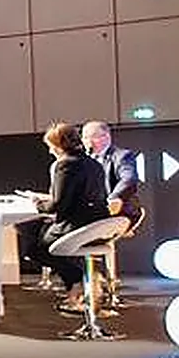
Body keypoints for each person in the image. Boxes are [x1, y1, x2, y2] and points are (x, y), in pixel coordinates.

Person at [31, 122, 110, 315]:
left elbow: (59, 205)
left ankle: (77, 281)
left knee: (35, 249)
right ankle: (81, 285)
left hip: (77, 225)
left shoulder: (65, 164)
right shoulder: (94, 163)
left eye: (51, 147)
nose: (50, 152)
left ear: (58, 145)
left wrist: (38, 204)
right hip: (98, 224)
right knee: (45, 237)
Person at [81, 121, 142, 221]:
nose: (89, 142)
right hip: (93, 212)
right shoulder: (84, 161)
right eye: (85, 138)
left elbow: (129, 179)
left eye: (94, 137)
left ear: (107, 137)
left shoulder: (122, 156)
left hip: (118, 212)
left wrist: (113, 198)